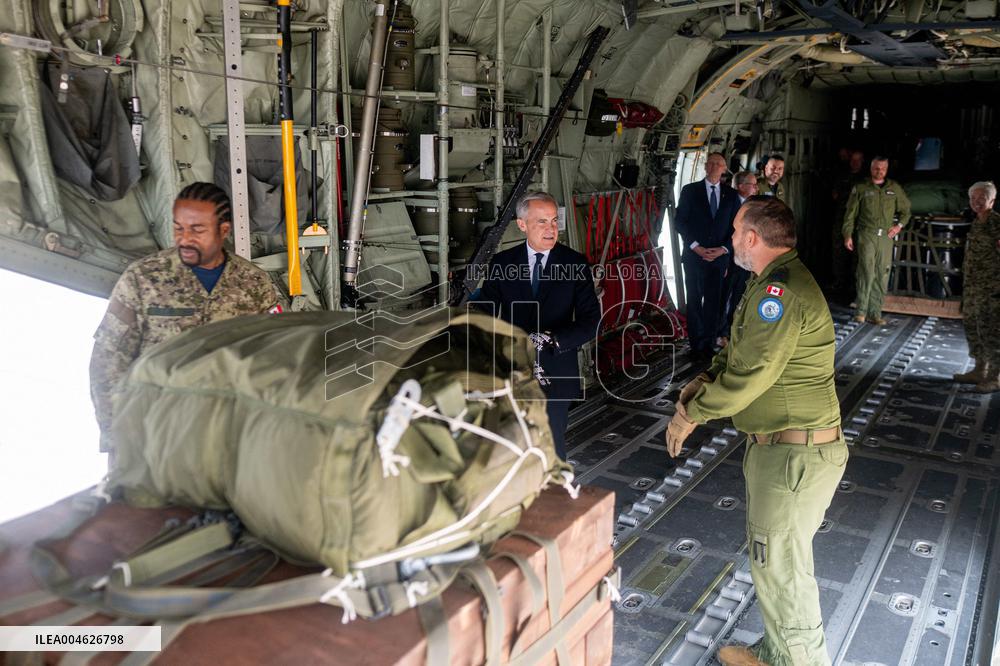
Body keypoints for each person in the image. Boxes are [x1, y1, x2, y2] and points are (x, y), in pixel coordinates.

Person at [666, 197, 846, 666]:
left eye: (734, 232)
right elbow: (740, 354)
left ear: (751, 238)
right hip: (784, 451)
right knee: (774, 562)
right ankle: (777, 650)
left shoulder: (778, 295)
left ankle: (800, 661)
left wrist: (693, 413)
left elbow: (754, 375)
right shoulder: (769, 283)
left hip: (795, 455)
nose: (729, 240)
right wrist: (704, 379)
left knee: (782, 568)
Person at [90, 182, 281, 454]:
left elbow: (271, 360)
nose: (185, 238)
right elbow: (107, 361)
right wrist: (118, 441)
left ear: (223, 230)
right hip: (155, 442)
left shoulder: (253, 283)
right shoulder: (143, 278)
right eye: (179, 228)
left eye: (197, 229)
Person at [476, 191, 601, 459]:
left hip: (555, 373)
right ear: (522, 225)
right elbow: (485, 311)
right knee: (510, 445)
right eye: (542, 222)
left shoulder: (574, 264)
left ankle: (552, 496)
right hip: (511, 372)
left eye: (554, 221)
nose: (551, 229)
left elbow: (591, 321)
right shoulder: (502, 263)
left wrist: (554, 339)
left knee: (550, 447)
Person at [675, 152, 741, 362]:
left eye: (718, 164)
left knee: (714, 301)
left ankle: (709, 343)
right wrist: (696, 247)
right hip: (694, 256)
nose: (714, 166)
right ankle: (696, 344)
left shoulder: (731, 195)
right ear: (705, 166)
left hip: (719, 257)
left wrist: (724, 249)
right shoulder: (690, 191)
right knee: (694, 300)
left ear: (724, 169)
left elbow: (737, 227)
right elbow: (680, 222)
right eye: (710, 163)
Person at [842, 156, 911, 325]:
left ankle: (875, 312)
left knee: (882, 273)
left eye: (882, 169)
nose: (879, 171)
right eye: (876, 168)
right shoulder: (861, 188)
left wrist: (898, 227)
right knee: (866, 270)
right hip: (867, 234)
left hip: (886, 237)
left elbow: (906, 211)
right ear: (871, 168)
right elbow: (850, 214)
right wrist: (847, 234)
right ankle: (861, 311)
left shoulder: (894, 189)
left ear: (887, 170)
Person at [952, 181, 1000, 393]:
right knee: (974, 328)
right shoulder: (977, 222)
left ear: (992, 200)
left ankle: (995, 377)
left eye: (982, 198)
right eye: (973, 198)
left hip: (992, 291)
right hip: (973, 289)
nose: (977, 202)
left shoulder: (996, 224)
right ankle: (980, 369)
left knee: (992, 332)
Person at [718, 171, 759, 347]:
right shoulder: (727, 204)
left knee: (739, 297)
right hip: (729, 259)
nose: (756, 188)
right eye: (753, 184)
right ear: (741, 186)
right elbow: (724, 233)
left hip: (746, 260)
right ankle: (720, 333)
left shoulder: (754, 206)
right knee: (723, 297)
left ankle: (733, 331)